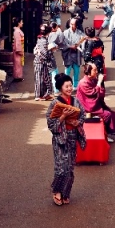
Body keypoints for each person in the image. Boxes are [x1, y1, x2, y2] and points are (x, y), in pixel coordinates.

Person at [46, 74, 86, 206]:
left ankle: (66, 193)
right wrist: (62, 116)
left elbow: (83, 114)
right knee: (61, 168)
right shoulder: (54, 103)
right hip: (60, 139)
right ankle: (57, 191)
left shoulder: (76, 101)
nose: (69, 88)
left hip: (72, 136)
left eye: (71, 85)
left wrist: (78, 122)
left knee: (70, 167)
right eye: (66, 86)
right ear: (60, 88)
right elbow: (51, 124)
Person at [77, 62, 115, 142]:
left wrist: (100, 83)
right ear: (88, 71)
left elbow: (100, 93)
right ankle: (104, 134)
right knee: (107, 114)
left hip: (94, 104)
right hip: (87, 107)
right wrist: (99, 82)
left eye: (96, 70)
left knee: (112, 113)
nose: (97, 72)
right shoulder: (83, 83)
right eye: (94, 70)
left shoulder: (93, 79)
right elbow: (92, 94)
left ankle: (106, 133)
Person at [60, 18, 86, 90]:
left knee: (76, 71)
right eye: (71, 24)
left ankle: (75, 85)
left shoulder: (80, 33)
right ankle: (65, 85)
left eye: (73, 24)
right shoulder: (65, 33)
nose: (71, 26)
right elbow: (62, 43)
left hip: (77, 54)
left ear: (76, 25)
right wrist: (70, 46)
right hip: (68, 54)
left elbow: (83, 41)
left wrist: (82, 43)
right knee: (67, 72)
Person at [32, 24, 54, 100]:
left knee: (42, 78)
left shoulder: (40, 38)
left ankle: (43, 94)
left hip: (40, 61)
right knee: (40, 79)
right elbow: (45, 53)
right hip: (40, 61)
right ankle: (39, 95)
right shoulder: (43, 41)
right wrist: (51, 51)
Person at [12, 17, 25, 82]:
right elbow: (18, 43)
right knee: (17, 63)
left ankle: (18, 76)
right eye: (21, 22)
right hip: (18, 49)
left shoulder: (17, 31)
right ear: (18, 23)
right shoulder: (17, 32)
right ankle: (17, 77)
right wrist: (19, 50)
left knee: (18, 63)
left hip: (19, 48)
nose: (22, 23)